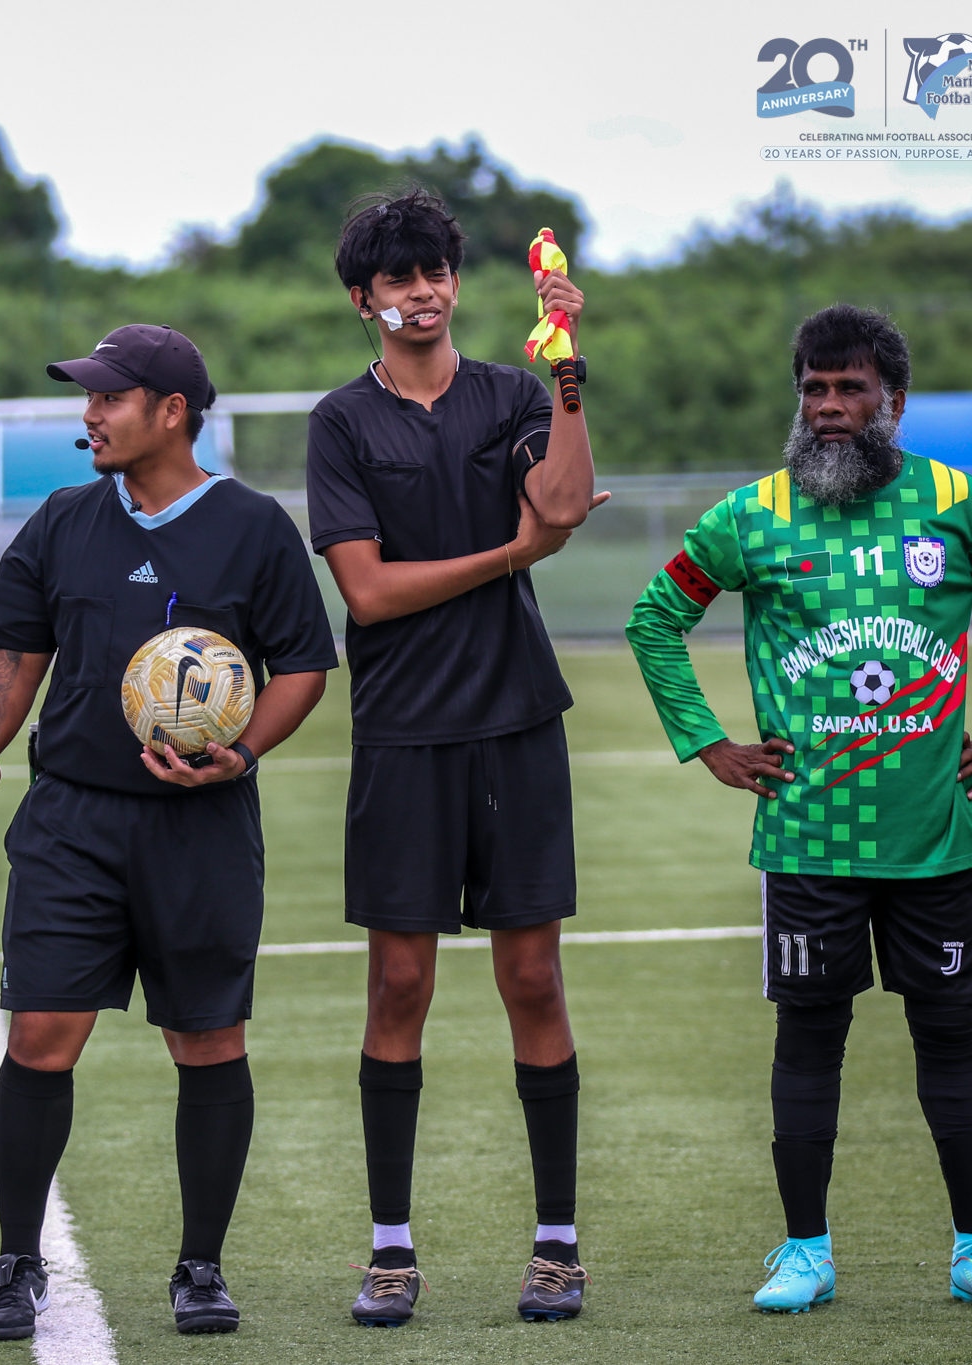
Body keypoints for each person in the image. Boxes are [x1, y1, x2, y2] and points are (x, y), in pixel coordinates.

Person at [625, 305, 972, 1312]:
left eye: (848, 388)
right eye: (812, 389)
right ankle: (803, 1254)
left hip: (934, 835)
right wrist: (707, 742)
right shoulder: (748, 516)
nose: (827, 407)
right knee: (806, 1042)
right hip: (807, 838)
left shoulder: (958, 504)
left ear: (891, 402)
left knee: (949, 1039)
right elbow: (655, 617)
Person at [0, 324, 337, 1340]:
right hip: (70, 820)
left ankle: (199, 1268)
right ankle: (18, 1261)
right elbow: (18, 649)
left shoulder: (252, 528)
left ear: (171, 412)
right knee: (38, 1034)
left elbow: (300, 668)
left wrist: (237, 756)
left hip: (198, 827)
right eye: (88, 397)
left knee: (205, 1041)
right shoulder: (64, 521)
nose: (89, 414)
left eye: (108, 398)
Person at [304, 189, 608, 1325]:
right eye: (398, 280)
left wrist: (566, 367)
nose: (421, 293)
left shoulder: (513, 393)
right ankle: (389, 1250)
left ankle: (556, 1244)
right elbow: (369, 593)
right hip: (401, 734)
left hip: (515, 722)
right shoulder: (340, 423)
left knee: (531, 978)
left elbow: (564, 504)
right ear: (363, 300)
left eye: (435, 272)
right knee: (400, 983)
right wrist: (510, 552)